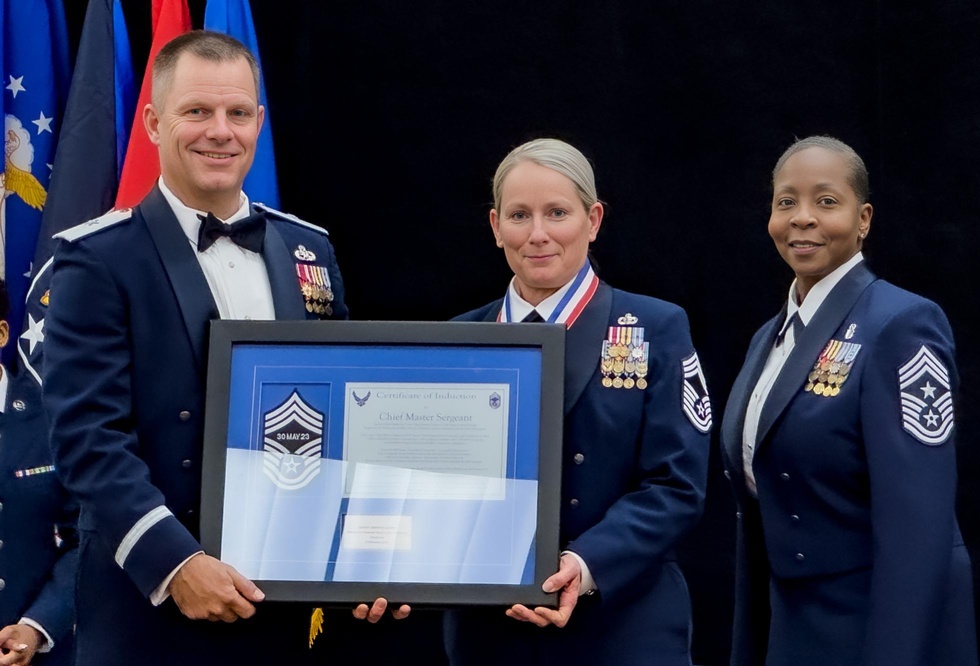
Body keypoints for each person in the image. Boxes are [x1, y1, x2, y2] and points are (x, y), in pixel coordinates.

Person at [42, 30, 402, 666]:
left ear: (259, 122)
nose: (220, 131)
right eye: (197, 112)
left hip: (278, 608)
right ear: (154, 122)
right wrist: (175, 563)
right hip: (148, 613)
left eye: (238, 113)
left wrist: (363, 555)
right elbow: (88, 440)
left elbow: (347, 418)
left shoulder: (306, 249)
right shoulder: (97, 258)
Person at [443, 138, 711, 665]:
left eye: (557, 213)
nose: (538, 234)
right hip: (488, 634)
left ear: (593, 219)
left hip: (623, 624)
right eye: (520, 215)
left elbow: (677, 486)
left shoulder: (657, 328)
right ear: (496, 227)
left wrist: (584, 564)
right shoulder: (459, 338)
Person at [719, 135, 977, 665]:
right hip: (792, 622)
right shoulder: (768, 337)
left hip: (875, 627)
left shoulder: (901, 325)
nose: (802, 218)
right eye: (786, 201)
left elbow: (918, 528)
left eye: (826, 201)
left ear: (863, 219)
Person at [0, 279, 77, 666]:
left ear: (1, 332)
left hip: (40, 652)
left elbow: (89, 539)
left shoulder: (57, 419)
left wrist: (37, 626)